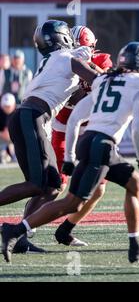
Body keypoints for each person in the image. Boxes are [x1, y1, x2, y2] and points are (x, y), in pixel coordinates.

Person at [1, 41, 139, 264]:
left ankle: (135, 246)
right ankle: (16, 230)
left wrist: (68, 158)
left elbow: (75, 118)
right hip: (103, 145)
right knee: (72, 202)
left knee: (128, 186)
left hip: (87, 142)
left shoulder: (105, 80)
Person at [0, 19, 96, 245]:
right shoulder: (68, 59)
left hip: (27, 116)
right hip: (33, 117)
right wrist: (114, 78)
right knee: (37, 184)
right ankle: (16, 235)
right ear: (62, 38)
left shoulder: (52, 61)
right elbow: (97, 80)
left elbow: (71, 98)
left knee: (52, 185)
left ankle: (19, 237)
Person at [52, 25, 113, 247]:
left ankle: (66, 229)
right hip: (63, 128)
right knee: (55, 185)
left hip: (90, 131)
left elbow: (107, 84)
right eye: (77, 49)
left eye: (84, 49)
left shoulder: (102, 61)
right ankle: (23, 229)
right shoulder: (60, 64)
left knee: (98, 188)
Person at [0, 93, 16, 163]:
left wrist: (11, 134)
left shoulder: (18, 113)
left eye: (9, 106)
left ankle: (14, 155)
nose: (7, 108)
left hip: (13, 138)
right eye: (5, 106)